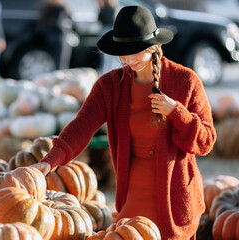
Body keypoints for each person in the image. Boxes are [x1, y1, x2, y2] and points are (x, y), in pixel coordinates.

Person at [32, 5, 216, 239]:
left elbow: (206, 142)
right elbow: (80, 127)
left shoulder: (186, 81)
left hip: (175, 199)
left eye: (134, 51)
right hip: (134, 198)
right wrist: (48, 164)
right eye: (122, 52)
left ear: (152, 46)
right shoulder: (109, 86)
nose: (128, 59)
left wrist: (176, 112)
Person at [38, 0, 72, 70]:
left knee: (53, 59)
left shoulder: (47, 7)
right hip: (59, 35)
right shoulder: (60, 7)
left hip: (50, 35)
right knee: (61, 59)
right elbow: (66, 19)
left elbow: (43, 21)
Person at [97, 0, 117, 74]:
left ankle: (106, 72)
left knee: (106, 56)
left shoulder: (105, 9)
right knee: (109, 56)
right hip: (109, 31)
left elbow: (99, 20)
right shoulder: (111, 8)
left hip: (106, 31)